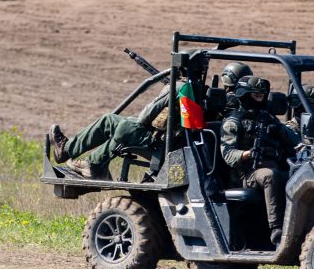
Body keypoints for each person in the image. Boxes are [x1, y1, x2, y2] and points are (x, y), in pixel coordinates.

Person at [49, 54, 248, 180]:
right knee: (123, 125)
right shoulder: (226, 103)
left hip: (165, 145)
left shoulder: (182, 89)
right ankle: (92, 163)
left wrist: (168, 93)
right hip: (183, 145)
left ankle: (72, 153)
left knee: (114, 122)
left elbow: (145, 117)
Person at [220, 76, 300, 246]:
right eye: (256, 95)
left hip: (271, 167)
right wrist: (248, 153)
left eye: (262, 95)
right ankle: (277, 229)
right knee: (270, 176)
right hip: (245, 174)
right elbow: (228, 155)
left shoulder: (268, 119)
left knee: (298, 177)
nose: (260, 99)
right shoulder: (233, 122)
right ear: (245, 95)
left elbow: (292, 140)